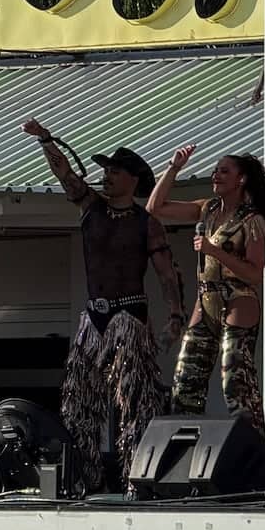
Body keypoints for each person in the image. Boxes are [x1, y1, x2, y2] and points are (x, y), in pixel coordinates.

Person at [23, 119, 187, 495]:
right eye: (106, 171)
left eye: (114, 171)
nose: (107, 176)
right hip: (92, 319)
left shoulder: (148, 224)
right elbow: (64, 173)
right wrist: (46, 139)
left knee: (135, 403)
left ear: (133, 180)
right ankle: (83, 477)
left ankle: (138, 478)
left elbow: (166, 274)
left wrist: (175, 315)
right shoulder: (90, 206)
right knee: (79, 403)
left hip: (129, 316)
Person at [148, 146, 265, 432]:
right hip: (206, 299)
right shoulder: (207, 209)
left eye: (224, 171)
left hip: (238, 300)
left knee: (235, 382)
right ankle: (185, 451)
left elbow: (255, 273)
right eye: (215, 170)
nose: (216, 175)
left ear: (241, 179)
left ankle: (253, 454)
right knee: (186, 380)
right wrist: (174, 167)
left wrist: (214, 251)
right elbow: (154, 209)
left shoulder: (252, 220)